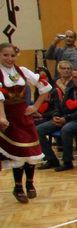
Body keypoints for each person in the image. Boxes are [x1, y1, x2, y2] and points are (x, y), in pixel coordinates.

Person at [0, 43, 52, 201]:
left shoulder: (22, 71)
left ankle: (30, 183)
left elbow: (45, 87)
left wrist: (35, 106)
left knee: (31, 151)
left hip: (24, 115)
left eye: (12, 55)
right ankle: (18, 187)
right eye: (5, 55)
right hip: (9, 117)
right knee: (18, 153)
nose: (9, 58)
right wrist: (2, 117)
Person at [36, 68, 77, 172]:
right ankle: (51, 159)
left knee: (66, 129)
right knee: (38, 130)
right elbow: (61, 106)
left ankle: (67, 161)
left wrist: (66, 118)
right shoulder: (70, 90)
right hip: (66, 118)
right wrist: (56, 115)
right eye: (75, 77)